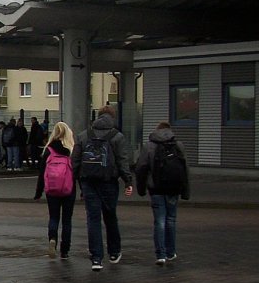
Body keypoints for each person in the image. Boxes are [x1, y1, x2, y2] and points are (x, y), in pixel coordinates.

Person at [71, 105, 134, 271]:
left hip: (89, 182)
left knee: (93, 219)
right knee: (110, 216)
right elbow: (122, 160)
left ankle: (96, 258)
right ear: (112, 118)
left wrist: (79, 182)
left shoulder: (84, 135)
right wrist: (128, 181)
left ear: (97, 117)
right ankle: (114, 252)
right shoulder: (117, 136)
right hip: (109, 182)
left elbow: (75, 161)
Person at [135, 121, 191, 265]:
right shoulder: (178, 145)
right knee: (171, 219)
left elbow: (141, 168)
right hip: (174, 188)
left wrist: (141, 189)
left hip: (156, 189)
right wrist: (185, 191)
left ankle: (160, 255)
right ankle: (171, 252)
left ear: (157, 130)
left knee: (159, 221)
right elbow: (185, 169)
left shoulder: (149, 146)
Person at [33, 121, 76, 260]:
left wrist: (38, 192)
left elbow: (42, 172)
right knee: (67, 220)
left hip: (52, 189)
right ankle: (65, 250)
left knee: (54, 217)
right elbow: (77, 171)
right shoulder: (71, 150)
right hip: (69, 189)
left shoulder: (49, 149)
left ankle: (52, 239)